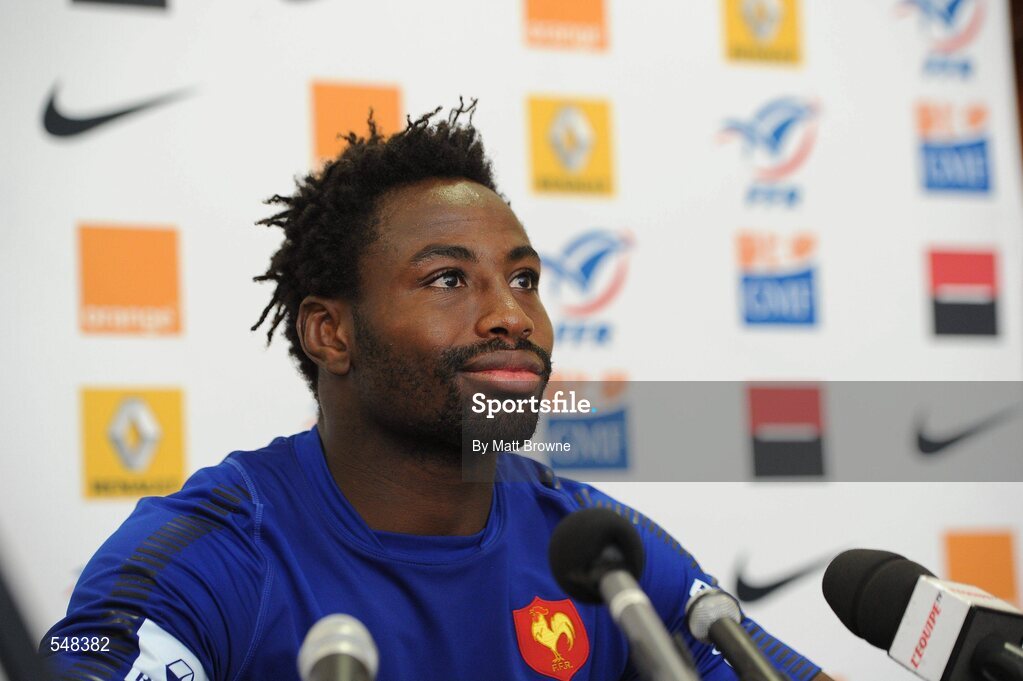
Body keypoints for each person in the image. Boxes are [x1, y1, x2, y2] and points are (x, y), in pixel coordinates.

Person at [43, 102, 833, 681]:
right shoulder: (211, 552)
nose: (510, 315)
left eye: (524, 279)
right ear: (331, 333)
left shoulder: (595, 547)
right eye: (448, 278)